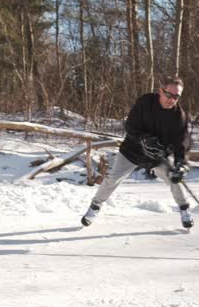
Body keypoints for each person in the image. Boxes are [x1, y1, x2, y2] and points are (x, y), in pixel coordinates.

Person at [81, 77, 193, 229]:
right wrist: (144, 139)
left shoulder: (179, 116)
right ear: (161, 91)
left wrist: (181, 163)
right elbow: (130, 126)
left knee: (175, 179)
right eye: (169, 95)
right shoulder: (145, 102)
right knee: (112, 178)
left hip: (158, 156)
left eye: (176, 96)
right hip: (132, 151)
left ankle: (184, 210)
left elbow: (183, 142)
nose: (172, 99)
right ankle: (94, 207)